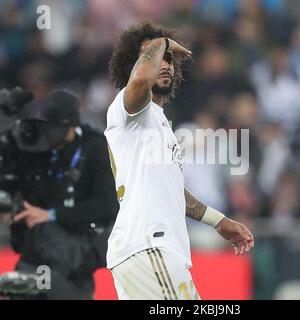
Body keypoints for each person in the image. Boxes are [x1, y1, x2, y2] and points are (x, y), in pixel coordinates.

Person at [106, 22, 255, 300]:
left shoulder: (160, 125)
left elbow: (172, 189)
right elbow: (139, 81)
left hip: (146, 251)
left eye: (167, 58)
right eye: (151, 55)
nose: (163, 63)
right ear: (132, 67)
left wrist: (218, 221)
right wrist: (161, 41)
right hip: (149, 245)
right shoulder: (126, 110)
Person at [9, 90, 118, 299]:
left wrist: (52, 214)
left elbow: (107, 206)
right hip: (40, 246)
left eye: (57, 128)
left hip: (77, 249)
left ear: (72, 126)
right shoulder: (39, 148)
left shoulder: (94, 149)